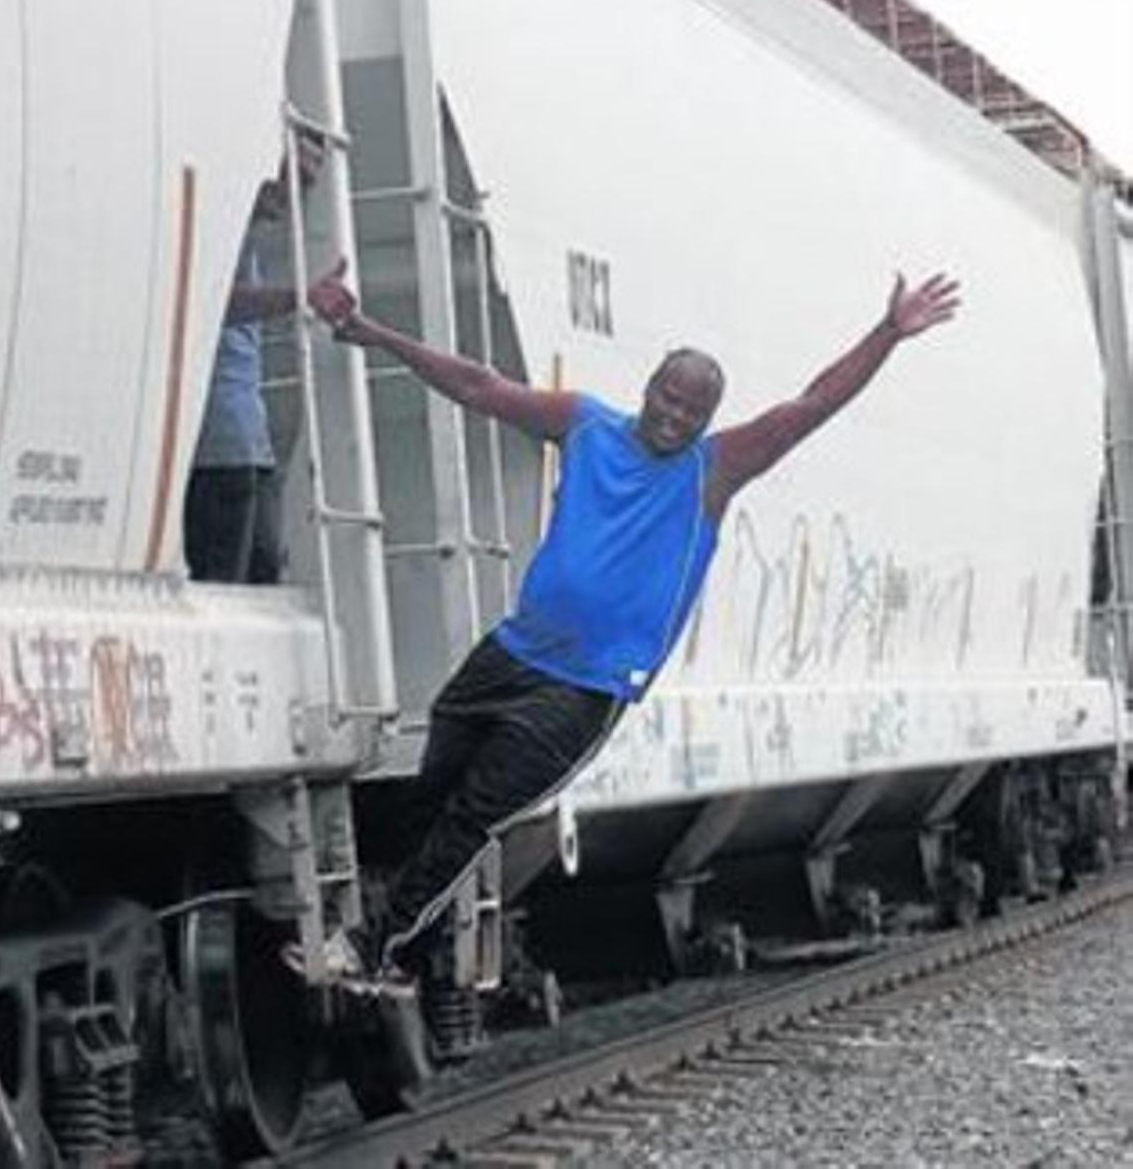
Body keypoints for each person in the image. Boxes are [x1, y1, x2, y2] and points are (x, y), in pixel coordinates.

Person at [305, 266, 960, 986]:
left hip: (585, 687)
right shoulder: (586, 423)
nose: (672, 418)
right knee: (427, 799)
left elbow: (812, 404)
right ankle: (415, 956)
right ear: (647, 386)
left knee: (471, 813)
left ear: (710, 420)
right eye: (666, 398)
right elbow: (477, 387)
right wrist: (366, 330)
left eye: (692, 412)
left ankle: (374, 948)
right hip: (512, 651)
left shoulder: (713, 471)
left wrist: (889, 331)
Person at [184, 139, 335, 583]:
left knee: (260, 578)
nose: (293, 194)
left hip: (246, 442)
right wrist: (298, 298)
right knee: (229, 581)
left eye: (305, 184)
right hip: (217, 444)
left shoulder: (245, 239)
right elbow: (210, 301)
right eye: (290, 176)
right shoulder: (213, 227)